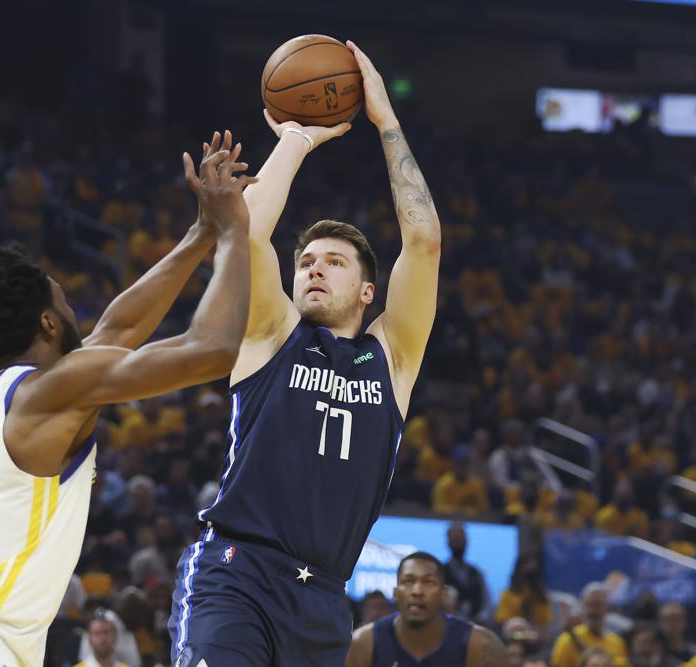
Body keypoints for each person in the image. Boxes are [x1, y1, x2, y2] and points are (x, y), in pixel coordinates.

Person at [0, 135, 255, 667]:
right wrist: (235, 233)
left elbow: (119, 329)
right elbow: (213, 349)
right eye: (64, 301)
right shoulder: (47, 393)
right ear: (47, 322)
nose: (75, 313)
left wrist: (201, 231)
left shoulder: (1, 397)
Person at [169, 42, 442, 667]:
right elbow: (243, 234)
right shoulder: (271, 334)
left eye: (335, 262)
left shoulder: (391, 358)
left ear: (369, 292)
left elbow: (424, 241)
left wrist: (385, 121)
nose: (315, 269)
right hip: (236, 574)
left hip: (322, 601)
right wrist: (295, 137)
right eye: (307, 262)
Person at [345, 552, 508, 666]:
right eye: (408, 581)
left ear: (444, 594)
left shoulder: (481, 645)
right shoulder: (363, 643)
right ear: (395, 593)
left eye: (428, 582)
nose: (417, 591)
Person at [550, 583, 627, 667]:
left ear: (607, 607)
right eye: (589, 605)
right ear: (582, 608)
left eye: (598, 605)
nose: (593, 610)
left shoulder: (617, 643)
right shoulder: (567, 641)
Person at [443, 522, 489, 622]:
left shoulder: (477, 573)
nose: (458, 544)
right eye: (455, 540)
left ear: (466, 542)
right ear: (448, 542)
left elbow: (486, 604)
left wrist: (478, 619)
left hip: (475, 625)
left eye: (461, 539)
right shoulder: (440, 572)